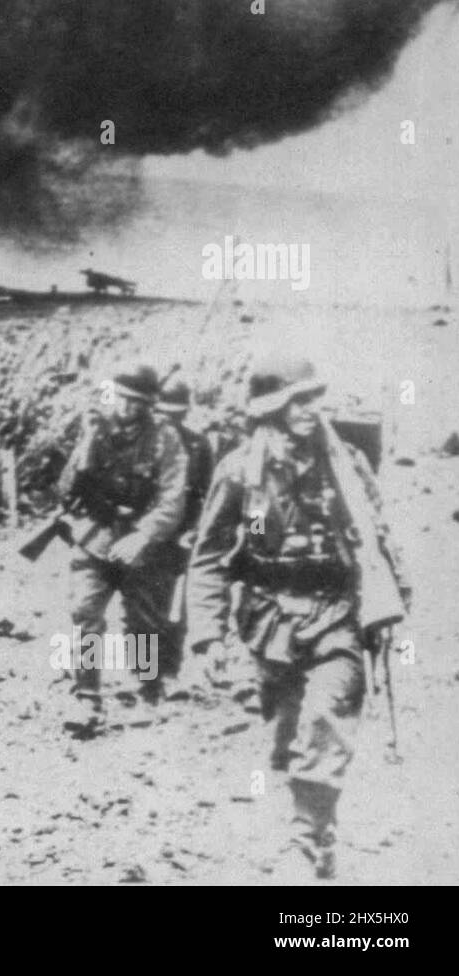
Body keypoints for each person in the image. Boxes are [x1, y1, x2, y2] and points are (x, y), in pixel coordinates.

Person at [185, 354, 393, 880]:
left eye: (313, 398)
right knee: (285, 739)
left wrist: (392, 607)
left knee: (325, 725)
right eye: (297, 400)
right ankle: (320, 834)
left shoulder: (345, 462)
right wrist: (208, 637)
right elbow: (208, 556)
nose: (309, 409)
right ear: (271, 409)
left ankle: (302, 844)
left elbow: (378, 540)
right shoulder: (239, 471)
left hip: (336, 612)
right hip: (268, 618)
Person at [56, 361, 188, 732]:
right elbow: (65, 490)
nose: (127, 408)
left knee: (143, 623)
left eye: (136, 402)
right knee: (84, 614)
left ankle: (146, 692)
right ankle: (86, 699)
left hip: (142, 545)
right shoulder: (95, 430)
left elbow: (172, 499)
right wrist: (85, 444)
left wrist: (144, 535)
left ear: (149, 404)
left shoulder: (166, 438)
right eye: (121, 399)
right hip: (95, 537)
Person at [155, 379, 214, 649]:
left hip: (184, 533)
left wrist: (195, 530)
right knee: (147, 607)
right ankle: (147, 677)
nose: (171, 422)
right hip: (150, 532)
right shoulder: (146, 442)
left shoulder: (199, 445)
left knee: (182, 605)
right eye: (165, 415)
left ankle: (168, 672)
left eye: (176, 416)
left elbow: (208, 494)